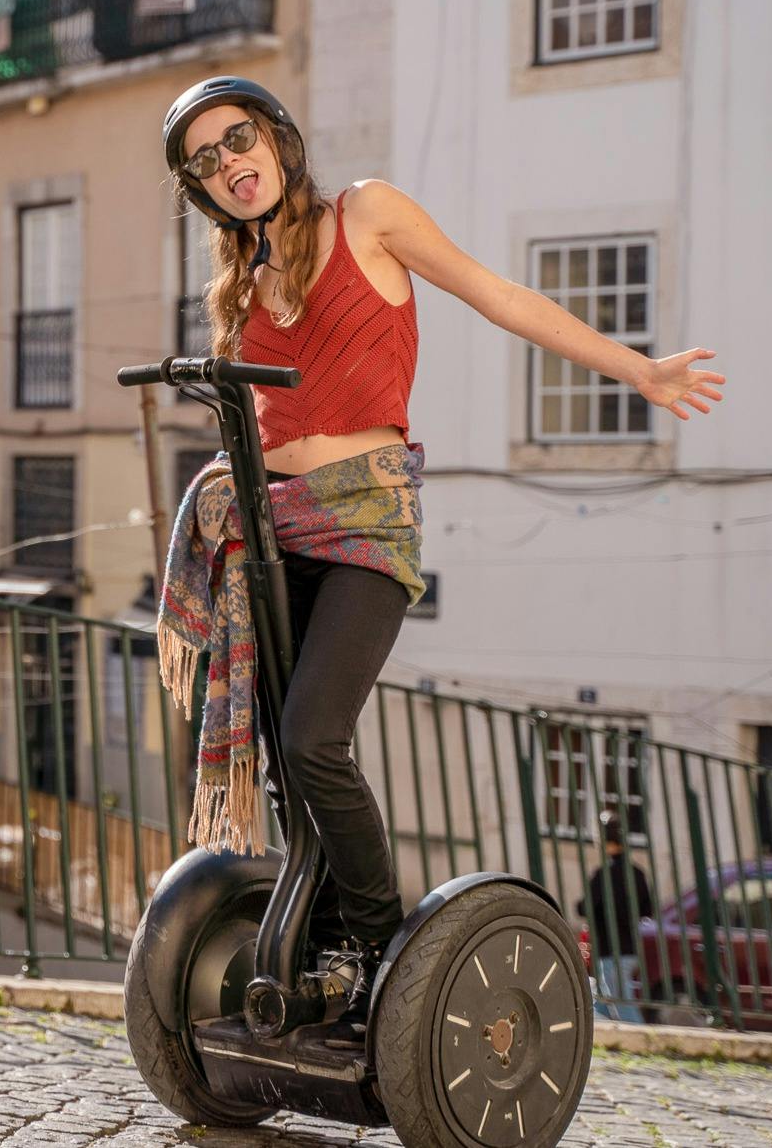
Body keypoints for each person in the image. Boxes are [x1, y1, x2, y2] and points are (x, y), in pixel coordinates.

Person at [156, 76, 722, 1041]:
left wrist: (637, 369)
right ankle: (324, 940)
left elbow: (497, 294)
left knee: (311, 736)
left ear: (279, 136)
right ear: (202, 191)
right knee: (282, 756)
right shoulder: (238, 281)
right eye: (205, 163)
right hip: (273, 522)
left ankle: (379, 950)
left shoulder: (367, 214)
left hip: (368, 520)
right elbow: (264, 411)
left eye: (237, 139)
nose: (229, 166)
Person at [579, 811, 655, 1022]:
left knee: (622, 1005)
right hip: (630, 949)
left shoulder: (603, 875)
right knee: (599, 1005)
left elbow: (584, 907)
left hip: (610, 950)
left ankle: (642, 1043)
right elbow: (647, 910)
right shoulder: (637, 873)